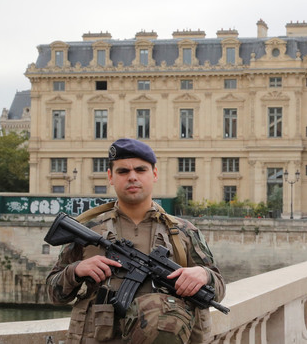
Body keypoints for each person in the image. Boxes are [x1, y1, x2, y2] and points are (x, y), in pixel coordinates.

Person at [46, 138, 226, 343]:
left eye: (141, 170)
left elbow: (218, 288)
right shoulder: (88, 230)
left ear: (155, 174)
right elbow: (53, 293)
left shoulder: (182, 232)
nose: (132, 177)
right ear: (110, 177)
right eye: (123, 171)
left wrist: (203, 275)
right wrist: (77, 271)